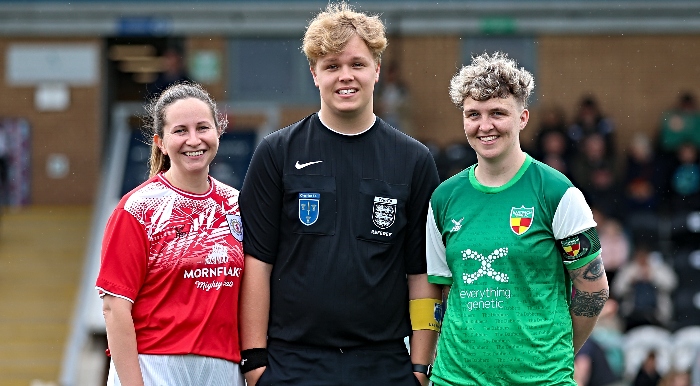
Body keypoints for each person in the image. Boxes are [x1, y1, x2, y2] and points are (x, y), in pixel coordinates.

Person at [238, 3, 442, 386]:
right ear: (314, 73)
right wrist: (254, 362)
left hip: (384, 364)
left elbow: (421, 273)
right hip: (291, 363)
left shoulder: (413, 160)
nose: (345, 77)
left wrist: (419, 367)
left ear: (377, 70)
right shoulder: (277, 153)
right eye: (332, 66)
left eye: (357, 64)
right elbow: (257, 265)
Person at [426, 52, 609, 385]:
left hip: (541, 379)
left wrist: (555, 355)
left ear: (523, 117)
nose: (485, 126)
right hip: (455, 379)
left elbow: (593, 289)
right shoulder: (444, 198)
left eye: (498, 113)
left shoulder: (558, 192)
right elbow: (438, 292)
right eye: (473, 114)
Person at [95, 82, 245, 386]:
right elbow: (114, 307)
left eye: (203, 127)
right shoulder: (138, 208)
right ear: (160, 142)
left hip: (223, 367)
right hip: (154, 366)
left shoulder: (238, 205)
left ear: (218, 132)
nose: (193, 140)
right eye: (180, 131)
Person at [613, 242, 677, 331]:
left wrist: (652, 277)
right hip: (632, 314)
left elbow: (671, 284)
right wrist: (631, 280)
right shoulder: (628, 269)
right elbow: (617, 290)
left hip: (657, 315)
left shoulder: (659, 268)